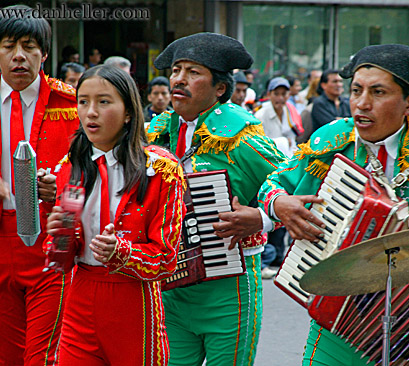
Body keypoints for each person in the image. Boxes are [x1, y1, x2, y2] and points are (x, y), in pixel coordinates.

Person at [257, 44, 409, 365]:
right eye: (356, 90)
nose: (362, 103)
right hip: (333, 321)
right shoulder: (330, 146)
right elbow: (272, 186)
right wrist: (280, 204)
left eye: (378, 92)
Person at [147, 32, 286, 366]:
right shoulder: (156, 133)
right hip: (169, 288)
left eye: (193, 72)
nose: (179, 79)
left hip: (228, 289)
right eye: (177, 70)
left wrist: (263, 218)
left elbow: (292, 189)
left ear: (220, 88)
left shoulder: (243, 138)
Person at [0, 5, 79, 365]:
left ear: (45, 52)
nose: (19, 56)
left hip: (55, 236)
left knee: (43, 357)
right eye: (9, 46)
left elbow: (100, 174)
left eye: (28, 45)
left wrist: (65, 188)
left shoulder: (73, 105)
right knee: (6, 356)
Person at [45, 64, 184, 365]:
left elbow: (167, 260)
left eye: (103, 101)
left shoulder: (162, 170)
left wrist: (121, 252)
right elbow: (60, 259)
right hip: (80, 300)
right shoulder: (70, 166)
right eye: (83, 101)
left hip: (134, 303)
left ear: (129, 112)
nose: (90, 112)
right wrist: (59, 237)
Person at [254, 76, 304, 157]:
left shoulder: (291, 111)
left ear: (289, 95)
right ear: (269, 94)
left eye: (284, 94)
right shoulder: (260, 115)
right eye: (276, 94)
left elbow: (293, 140)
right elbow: (258, 145)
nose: (280, 98)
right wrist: (284, 142)